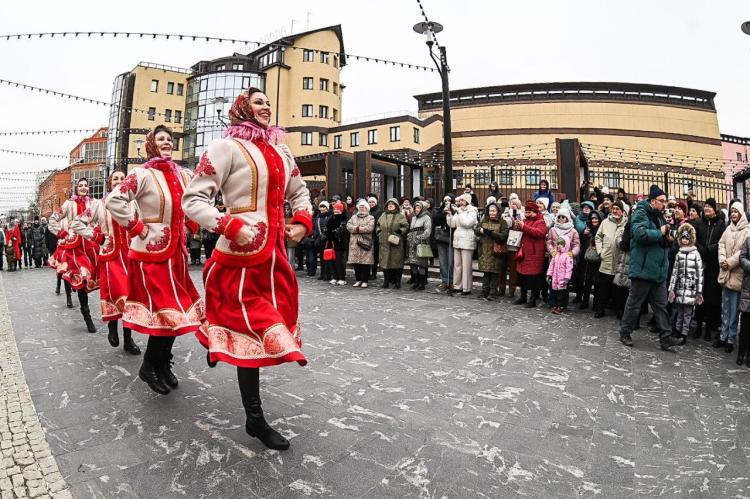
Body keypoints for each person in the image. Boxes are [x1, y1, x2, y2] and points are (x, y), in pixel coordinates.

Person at [182, 88, 313, 451]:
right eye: (258, 102)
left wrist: (302, 220)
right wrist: (228, 224)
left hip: (274, 260)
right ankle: (255, 418)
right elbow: (193, 200)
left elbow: (299, 191)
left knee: (262, 328)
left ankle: (221, 344)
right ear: (241, 108)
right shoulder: (225, 148)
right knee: (253, 331)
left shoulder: (282, 151)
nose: (266, 106)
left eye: (268, 102)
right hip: (238, 261)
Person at [106, 125, 204, 395]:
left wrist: (191, 224)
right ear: (151, 144)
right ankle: (149, 366)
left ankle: (161, 364)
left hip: (176, 255)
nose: (167, 142)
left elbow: (195, 201)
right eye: (160, 139)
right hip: (151, 255)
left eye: (170, 139)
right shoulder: (142, 174)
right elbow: (114, 201)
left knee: (177, 315)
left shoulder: (183, 174)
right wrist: (137, 227)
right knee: (167, 313)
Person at [71, 171, 141, 355]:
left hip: (131, 256)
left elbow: (142, 223)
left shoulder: (133, 203)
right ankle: (112, 325)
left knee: (131, 297)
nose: (119, 181)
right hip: (111, 257)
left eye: (122, 178)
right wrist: (98, 238)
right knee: (118, 293)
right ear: (110, 183)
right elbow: (77, 223)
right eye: (115, 178)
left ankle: (128, 338)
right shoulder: (99, 205)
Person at [618, 185, 681, 351]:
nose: (664, 204)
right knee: (634, 304)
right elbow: (640, 234)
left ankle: (666, 337)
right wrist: (660, 232)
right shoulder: (641, 213)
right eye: (661, 201)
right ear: (653, 201)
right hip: (643, 269)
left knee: (661, 306)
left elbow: (661, 238)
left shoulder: (659, 216)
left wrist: (668, 239)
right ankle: (625, 332)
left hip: (658, 271)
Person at [48, 178, 100, 331]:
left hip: (90, 246)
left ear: (88, 188)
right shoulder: (68, 204)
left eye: (85, 185)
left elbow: (101, 220)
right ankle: (87, 316)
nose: (83, 187)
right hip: (75, 248)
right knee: (82, 279)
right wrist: (63, 233)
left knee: (92, 278)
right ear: (76, 188)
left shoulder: (94, 203)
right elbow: (53, 220)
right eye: (80, 185)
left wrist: (98, 232)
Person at [714, 202, 749, 354]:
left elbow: (743, 252)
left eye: (736, 211)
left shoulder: (747, 231)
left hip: (737, 275)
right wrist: (722, 260)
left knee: (734, 311)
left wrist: (729, 262)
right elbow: (721, 245)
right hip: (725, 273)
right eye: (731, 211)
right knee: (725, 308)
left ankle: (730, 339)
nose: (733, 214)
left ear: (741, 213)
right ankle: (723, 336)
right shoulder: (728, 229)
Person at [694, 198, 725, 341]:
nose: (707, 208)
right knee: (699, 296)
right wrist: (702, 249)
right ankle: (698, 326)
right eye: (705, 206)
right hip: (700, 263)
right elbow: (694, 239)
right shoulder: (698, 222)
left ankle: (707, 329)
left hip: (713, 265)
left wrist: (710, 250)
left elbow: (721, 243)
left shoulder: (720, 224)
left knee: (710, 299)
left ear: (714, 209)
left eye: (709, 206)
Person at [668, 224, 703, 346]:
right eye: (682, 238)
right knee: (680, 312)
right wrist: (671, 289)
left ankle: (684, 333)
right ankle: (678, 331)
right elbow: (674, 272)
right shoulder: (679, 254)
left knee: (688, 313)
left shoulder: (696, 254)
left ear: (691, 239)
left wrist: (699, 291)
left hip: (690, 288)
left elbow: (700, 273)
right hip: (680, 287)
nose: (684, 241)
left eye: (687, 238)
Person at [593, 201, 627, 318]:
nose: (615, 211)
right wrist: (600, 251)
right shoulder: (605, 222)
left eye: (617, 209)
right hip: (606, 259)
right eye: (614, 208)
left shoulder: (626, 223)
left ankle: (619, 311)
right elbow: (598, 237)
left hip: (620, 261)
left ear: (622, 211)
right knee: (604, 288)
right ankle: (600, 310)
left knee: (619, 289)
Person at [513, 200, 548, 307]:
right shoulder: (525, 220)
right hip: (523, 253)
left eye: (529, 212)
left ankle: (532, 300)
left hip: (534, 254)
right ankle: (523, 297)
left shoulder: (541, 222)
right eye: (526, 212)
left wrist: (524, 227)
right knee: (522, 277)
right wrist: (517, 226)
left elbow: (539, 233)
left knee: (533, 279)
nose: (527, 214)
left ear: (535, 212)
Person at [545, 207, 579, 313]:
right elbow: (549, 242)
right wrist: (552, 251)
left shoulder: (573, 231)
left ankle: (562, 305)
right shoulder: (553, 229)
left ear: (567, 218)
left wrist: (572, 253)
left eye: (563, 217)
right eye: (559, 217)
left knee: (564, 285)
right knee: (553, 284)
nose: (561, 219)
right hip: (555, 259)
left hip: (566, 260)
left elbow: (576, 244)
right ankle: (553, 303)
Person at [474, 202, 509, 300]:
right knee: (486, 272)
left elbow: (503, 236)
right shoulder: (485, 220)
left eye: (494, 211)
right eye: (490, 211)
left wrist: (491, 233)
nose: (492, 213)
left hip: (496, 251)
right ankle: (484, 290)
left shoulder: (502, 222)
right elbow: (476, 229)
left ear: (498, 211)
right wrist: (480, 230)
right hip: (484, 251)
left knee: (495, 273)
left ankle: (493, 292)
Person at [447, 193, 478, 296]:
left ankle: (466, 287)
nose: (460, 202)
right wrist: (449, 215)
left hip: (467, 239)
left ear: (467, 201)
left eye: (462, 200)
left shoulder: (472, 211)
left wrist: (459, 213)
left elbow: (467, 223)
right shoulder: (459, 211)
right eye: (460, 200)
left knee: (466, 265)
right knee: (457, 265)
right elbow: (452, 224)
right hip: (457, 239)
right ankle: (457, 286)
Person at [377, 198, 409, 289]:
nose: (390, 205)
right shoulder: (383, 215)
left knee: (397, 263)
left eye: (392, 204)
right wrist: (379, 233)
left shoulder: (400, 216)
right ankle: (386, 282)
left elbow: (406, 226)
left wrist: (400, 231)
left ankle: (397, 282)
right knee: (385, 263)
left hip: (396, 243)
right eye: (389, 204)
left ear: (396, 206)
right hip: (384, 243)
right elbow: (378, 225)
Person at [347, 199, 375, 288]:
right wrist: (357, 228)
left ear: (367, 208)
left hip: (365, 243)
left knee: (365, 263)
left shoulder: (370, 217)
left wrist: (358, 229)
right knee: (356, 263)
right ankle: (358, 280)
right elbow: (348, 226)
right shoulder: (353, 217)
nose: (362, 208)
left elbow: (370, 228)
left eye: (363, 207)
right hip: (355, 243)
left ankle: (365, 280)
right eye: (360, 207)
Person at [577, 210, 602, 309]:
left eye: (596, 218)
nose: (594, 220)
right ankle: (585, 301)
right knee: (587, 281)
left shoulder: (601, 229)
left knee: (597, 282)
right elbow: (580, 241)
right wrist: (583, 234)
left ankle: (596, 303)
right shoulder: (588, 228)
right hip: (586, 259)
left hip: (597, 259)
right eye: (592, 218)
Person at [406, 200, 433, 291]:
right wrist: (409, 236)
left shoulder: (426, 218)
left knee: (421, 264)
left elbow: (427, 231)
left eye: (418, 207)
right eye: (415, 207)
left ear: (422, 208)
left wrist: (419, 238)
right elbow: (411, 229)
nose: (416, 209)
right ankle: (416, 282)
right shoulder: (413, 218)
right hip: (412, 243)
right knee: (413, 263)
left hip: (421, 242)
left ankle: (422, 283)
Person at [500, 196, 524, 297]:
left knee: (513, 269)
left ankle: (512, 289)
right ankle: (501, 288)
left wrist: (516, 221)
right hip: (504, 243)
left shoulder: (521, 215)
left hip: (514, 244)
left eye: (515, 204)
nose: (513, 205)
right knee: (502, 267)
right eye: (512, 204)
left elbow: (521, 228)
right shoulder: (505, 213)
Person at [432, 195, 454, 292]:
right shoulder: (441, 210)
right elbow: (435, 219)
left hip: (451, 237)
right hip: (441, 237)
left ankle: (451, 281)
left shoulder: (455, 210)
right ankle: (444, 281)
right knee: (442, 261)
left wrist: (450, 212)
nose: (447, 202)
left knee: (451, 261)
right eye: (445, 200)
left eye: (449, 200)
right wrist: (442, 210)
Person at [324, 201, 349, 285]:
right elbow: (326, 228)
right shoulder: (331, 218)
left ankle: (341, 278)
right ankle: (334, 277)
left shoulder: (343, 218)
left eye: (338, 209)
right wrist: (327, 233)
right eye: (335, 209)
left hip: (339, 243)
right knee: (332, 261)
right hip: (330, 243)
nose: (336, 211)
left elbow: (341, 230)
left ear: (341, 210)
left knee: (339, 261)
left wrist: (331, 233)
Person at [314, 201, 332, 281]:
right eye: (321, 207)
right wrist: (317, 237)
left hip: (328, 240)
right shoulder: (318, 217)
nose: (322, 208)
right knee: (322, 258)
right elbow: (316, 228)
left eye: (324, 207)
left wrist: (326, 235)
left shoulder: (330, 216)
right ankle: (322, 273)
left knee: (328, 258)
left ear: (327, 208)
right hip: (320, 240)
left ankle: (328, 274)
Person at [368, 196, 382, 280]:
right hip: (367, 235)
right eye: (370, 202)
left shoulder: (379, 211)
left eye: (373, 202)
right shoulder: (367, 211)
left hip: (375, 236)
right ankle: (367, 272)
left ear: (376, 203)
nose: (371, 204)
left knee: (374, 256)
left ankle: (374, 273)